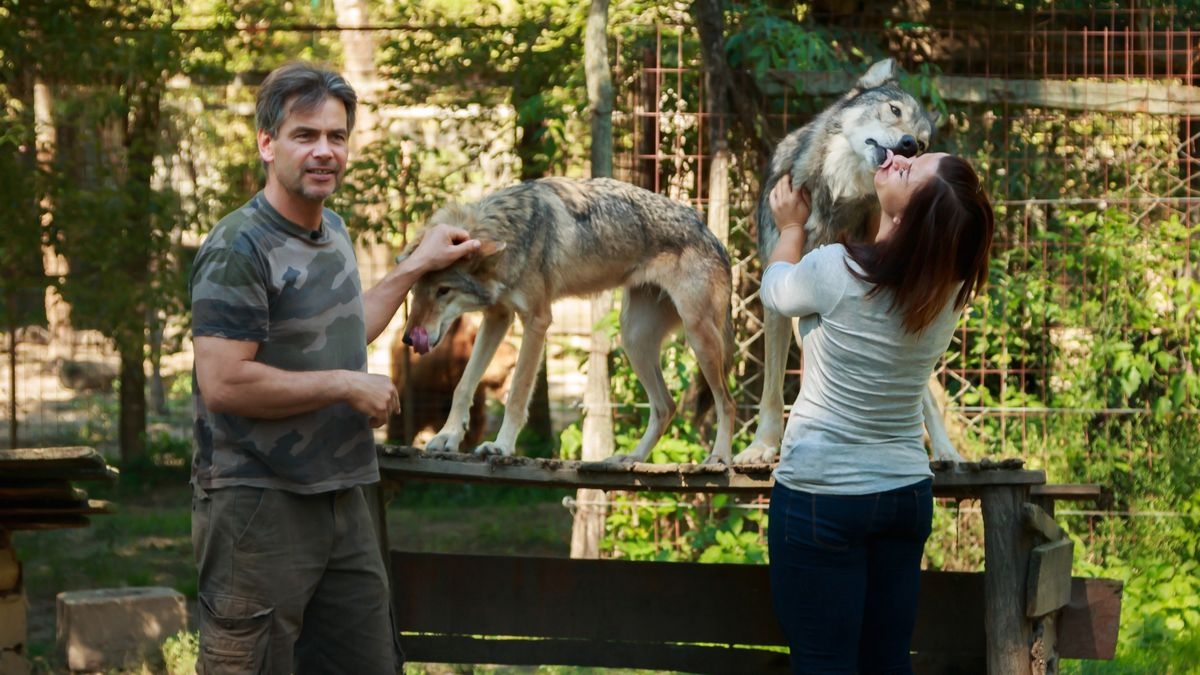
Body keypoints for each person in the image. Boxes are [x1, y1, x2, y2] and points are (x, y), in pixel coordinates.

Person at [188, 61, 480, 674]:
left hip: (345, 499)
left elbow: (343, 331)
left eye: (337, 136)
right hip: (260, 506)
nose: (325, 151)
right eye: (305, 135)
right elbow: (222, 382)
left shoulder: (333, 230)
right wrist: (348, 385)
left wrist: (414, 267)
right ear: (267, 145)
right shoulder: (238, 246)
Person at [763, 151, 994, 674]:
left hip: (823, 497)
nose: (894, 158)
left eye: (908, 170)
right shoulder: (950, 291)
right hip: (904, 497)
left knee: (824, 665)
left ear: (912, 217)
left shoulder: (836, 271)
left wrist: (791, 227)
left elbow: (776, 291)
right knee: (887, 662)